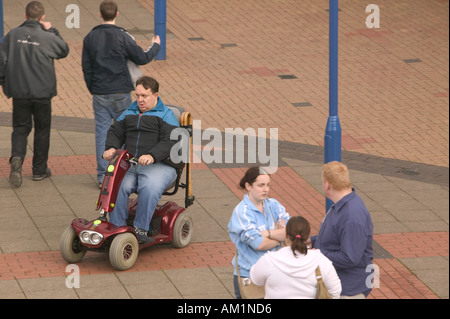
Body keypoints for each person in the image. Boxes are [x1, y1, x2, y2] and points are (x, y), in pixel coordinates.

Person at [82, 0, 161, 188]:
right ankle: (123, 171)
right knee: (126, 131)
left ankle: (103, 176)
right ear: (116, 14)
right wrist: (155, 45)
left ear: (100, 15)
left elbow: (87, 68)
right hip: (121, 92)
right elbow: (142, 57)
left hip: (100, 92)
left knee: (102, 132)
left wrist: (93, 88)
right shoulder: (122, 36)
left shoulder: (90, 38)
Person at [0, 1, 69, 188]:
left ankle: (17, 158)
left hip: (20, 92)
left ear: (25, 15)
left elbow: (2, 62)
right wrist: (52, 30)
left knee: (20, 128)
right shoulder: (46, 36)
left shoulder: (12, 35)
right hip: (42, 93)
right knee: (42, 130)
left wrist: (5, 86)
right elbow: (63, 50)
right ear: (42, 17)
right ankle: (39, 170)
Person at [103, 76, 178, 244]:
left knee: (149, 187)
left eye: (144, 96)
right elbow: (115, 131)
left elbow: (171, 140)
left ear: (156, 95)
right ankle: (117, 228)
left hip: (160, 165)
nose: (140, 100)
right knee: (117, 184)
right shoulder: (129, 112)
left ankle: (141, 229)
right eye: (137, 95)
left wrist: (152, 155)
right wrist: (111, 147)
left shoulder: (166, 115)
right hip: (132, 164)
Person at [309, 161, 374, 298]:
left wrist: (317, 254)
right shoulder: (343, 206)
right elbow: (334, 237)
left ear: (327, 185)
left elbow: (349, 258)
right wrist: (311, 241)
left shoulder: (352, 215)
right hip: (342, 286)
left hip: (348, 290)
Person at [228, 166, 290, 299]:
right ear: (248, 186)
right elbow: (259, 244)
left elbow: (291, 233)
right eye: (261, 185)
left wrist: (267, 233)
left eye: (268, 185)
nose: (266, 189)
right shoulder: (242, 212)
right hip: (250, 276)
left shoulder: (273, 205)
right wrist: (280, 235)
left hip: (275, 274)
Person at [250, 216, 342, 299]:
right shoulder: (320, 260)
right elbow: (335, 291)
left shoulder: (269, 259)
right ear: (307, 237)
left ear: (286, 236)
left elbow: (256, 279)